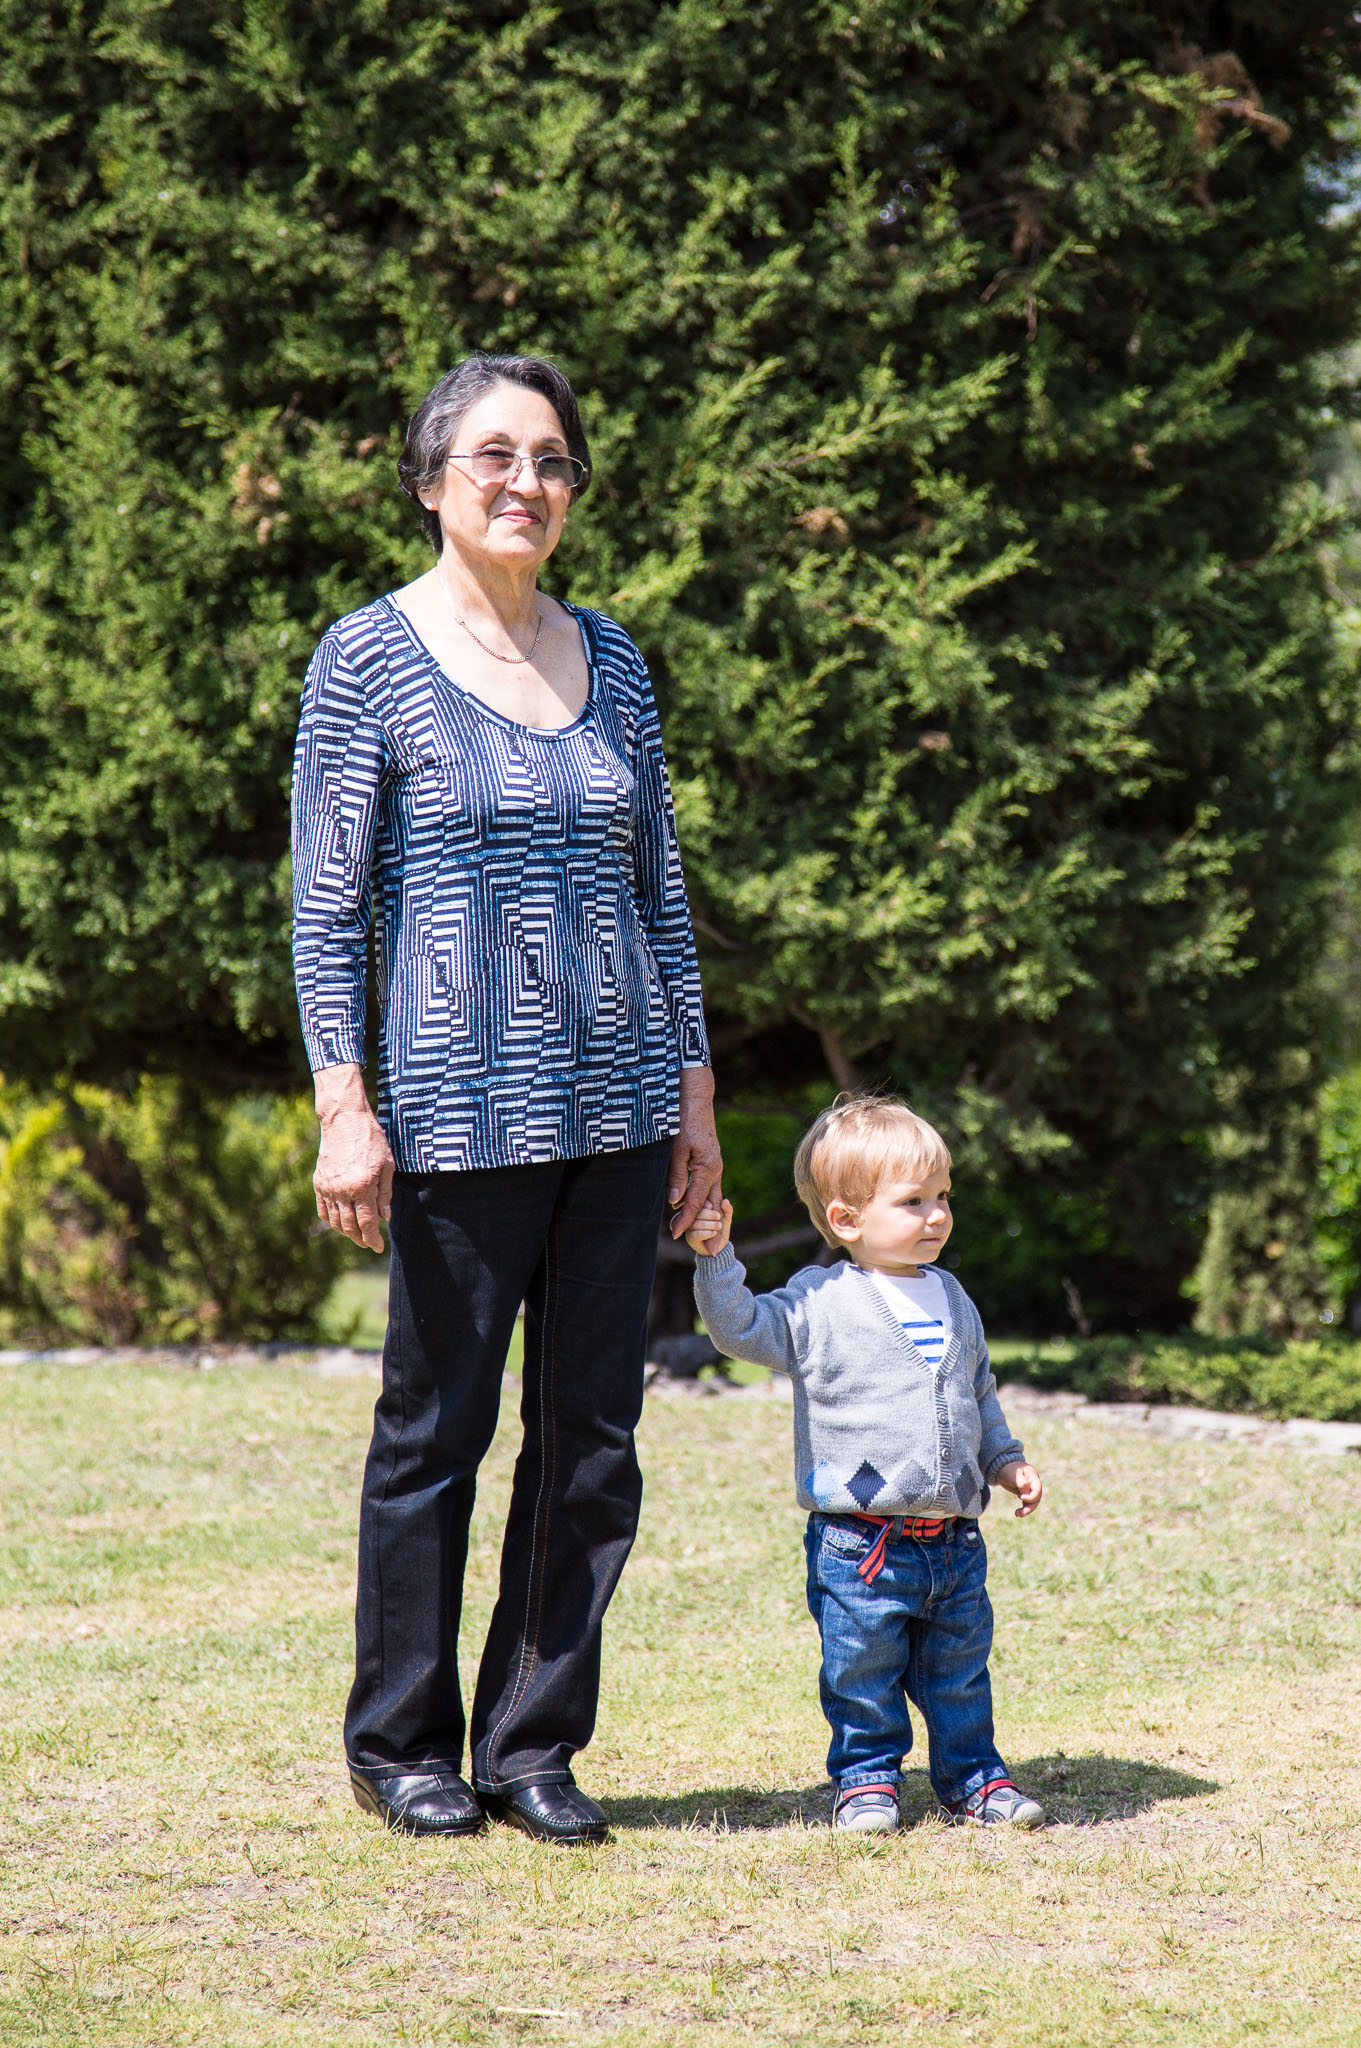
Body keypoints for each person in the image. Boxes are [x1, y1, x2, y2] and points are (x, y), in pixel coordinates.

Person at [291, 352, 721, 1845]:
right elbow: (329, 907)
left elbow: (660, 891)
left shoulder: (617, 660)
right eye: (493, 455)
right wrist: (343, 1106)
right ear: (431, 483)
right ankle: (401, 1744)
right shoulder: (368, 657)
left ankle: (532, 1743)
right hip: (455, 1113)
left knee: (592, 1438)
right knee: (435, 1433)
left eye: (550, 459)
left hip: (621, 1109)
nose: (524, 481)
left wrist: (695, 1096)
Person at [685, 1095, 1044, 1835]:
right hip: (861, 1544)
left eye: (943, 1196)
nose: (937, 1215)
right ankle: (867, 1781)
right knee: (860, 1673)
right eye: (913, 1201)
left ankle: (974, 1779)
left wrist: (1004, 1460)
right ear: (846, 1219)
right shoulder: (821, 1301)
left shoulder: (952, 1297)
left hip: (953, 1543)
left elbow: (977, 1391)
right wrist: (716, 1258)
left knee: (959, 1675)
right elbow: (740, 1328)